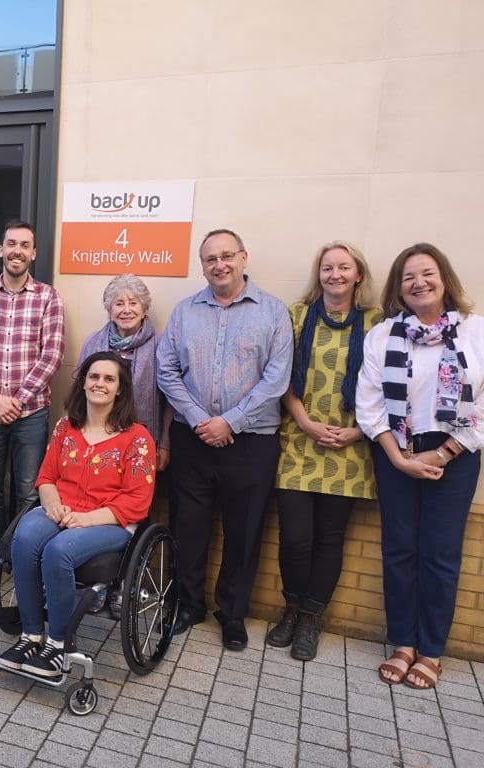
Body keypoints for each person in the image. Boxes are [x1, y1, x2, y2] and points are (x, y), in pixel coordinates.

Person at [156, 228, 292, 651]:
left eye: (227, 256)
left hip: (251, 441)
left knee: (244, 531)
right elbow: (166, 370)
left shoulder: (273, 312)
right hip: (192, 439)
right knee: (188, 529)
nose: (220, 265)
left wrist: (230, 421)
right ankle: (187, 605)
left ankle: (232, 614)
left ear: (244, 257)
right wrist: (201, 420)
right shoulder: (184, 312)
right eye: (211, 259)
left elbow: (276, 379)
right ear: (203, 266)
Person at [357, 243, 483, 690]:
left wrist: (443, 452)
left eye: (427, 273)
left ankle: (431, 650)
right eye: (409, 277)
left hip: (457, 454)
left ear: (444, 278)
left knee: (441, 554)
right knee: (400, 550)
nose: (419, 283)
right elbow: (369, 404)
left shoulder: (475, 332)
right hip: (396, 452)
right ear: (399, 287)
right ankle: (403, 642)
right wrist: (396, 457)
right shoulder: (384, 335)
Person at [0, 352, 156, 677]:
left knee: (59, 551)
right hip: (61, 508)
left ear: (120, 389)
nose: (100, 383)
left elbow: (137, 502)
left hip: (109, 522)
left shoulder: (137, 439)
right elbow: (46, 478)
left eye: (109, 379)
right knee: (24, 539)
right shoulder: (65, 427)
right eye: (94, 376)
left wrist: (86, 519)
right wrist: (53, 505)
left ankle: (58, 643)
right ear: (83, 382)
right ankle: (30, 634)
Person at [269, 242, 382, 661]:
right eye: (327, 268)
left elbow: (390, 385)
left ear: (358, 275)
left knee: (330, 539)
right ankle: (291, 608)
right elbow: (281, 376)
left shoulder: (377, 323)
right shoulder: (297, 316)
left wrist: (357, 432)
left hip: (352, 447)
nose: (335, 274)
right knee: (295, 538)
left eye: (343, 268)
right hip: (300, 441)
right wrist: (304, 421)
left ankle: (313, 618)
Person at [0, 220, 66, 549]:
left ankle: (19, 550)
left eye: (24, 245)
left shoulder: (48, 297)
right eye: (11, 244)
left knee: (27, 490)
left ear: (33, 253)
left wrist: (16, 401)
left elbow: (52, 355)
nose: (17, 250)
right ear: (1, 250)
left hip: (30, 414)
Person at [79, 274, 170, 471]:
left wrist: (164, 443)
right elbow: (79, 392)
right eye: (119, 303)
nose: (126, 310)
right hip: (97, 438)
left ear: (144, 309)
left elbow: (170, 401)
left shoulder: (162, 345)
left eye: (133, 303)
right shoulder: (92, 343)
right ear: (110, 310)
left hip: (142, 440)